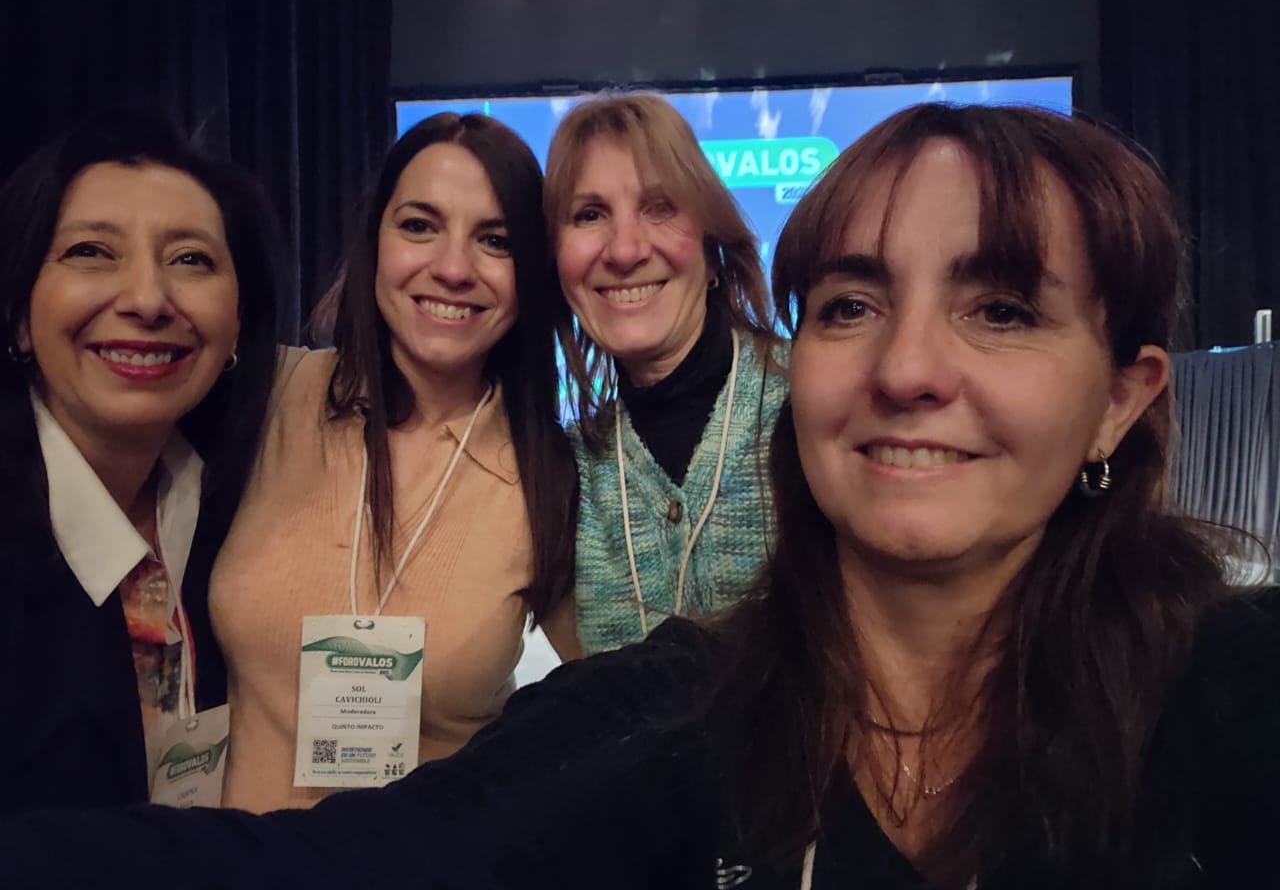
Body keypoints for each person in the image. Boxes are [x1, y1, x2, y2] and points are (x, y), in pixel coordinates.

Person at [4, 103, 1278, 890]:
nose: (905, 368)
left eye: (998, 310)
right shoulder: (677, 696)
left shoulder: (1225, 694)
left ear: (1122, 395)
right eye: (850, 304)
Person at [206, 111, 579, 811]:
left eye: (495, 240)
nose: (453, 268)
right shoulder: (267, 398)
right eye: (419, 226)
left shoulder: (549, 473)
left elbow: (621, 704)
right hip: (239, 857)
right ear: (374, 239)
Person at [0, 110, 279, 814]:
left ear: (238, 322)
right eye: (92, 252)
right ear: (18, 316)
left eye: (191, 260)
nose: (149, 300)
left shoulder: (242, 509)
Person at [545, 93, 788, 655]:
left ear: (711, 249)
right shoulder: (564, 476)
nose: (625, 250)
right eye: (589, 215)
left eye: (660, 207)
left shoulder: (816, 407)